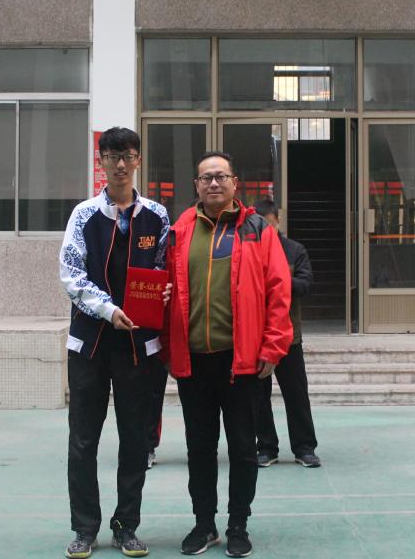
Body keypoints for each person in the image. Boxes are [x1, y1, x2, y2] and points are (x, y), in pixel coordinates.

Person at [160, 151, 292, 558]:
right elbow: (164, 286)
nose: (214, 183)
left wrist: (273, 346)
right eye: (206, 178)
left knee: (242, 448)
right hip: (193, 362)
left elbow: (279, 290)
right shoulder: (180, 230)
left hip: (242, 362)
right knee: (199, 449)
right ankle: (204, 524)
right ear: (196, 186)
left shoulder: (257, 229)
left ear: (235, 182)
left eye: (221, 176)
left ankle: (238, 524)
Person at [59, 127, 170, 559]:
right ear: (101, 161)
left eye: (128, 156)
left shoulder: (157, 216)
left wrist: (164, 291)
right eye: (112, 156)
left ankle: (127, 527)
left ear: (138, 160)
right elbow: (71, 275)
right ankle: (84, 528)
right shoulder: (83, 215)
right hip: (90, 345)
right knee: (83, 440)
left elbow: (163, 270)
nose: (120, 164)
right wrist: (108, 310)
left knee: (135, 440)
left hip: (139, 347)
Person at [251, 199, 322, 469]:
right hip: (256, 336)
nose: (265, 232)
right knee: (258, 396)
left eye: (269, 226)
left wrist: (278, 280)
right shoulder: (248, 249)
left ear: (277, 221)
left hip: (288, 336)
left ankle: (305, 448)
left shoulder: (294, 250)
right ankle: (266, 448)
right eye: (260, 227)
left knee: (296, 394)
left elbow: (306, 285)